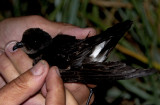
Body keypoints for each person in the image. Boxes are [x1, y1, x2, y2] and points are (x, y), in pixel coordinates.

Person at [0, 15, 96, 105]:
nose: (20, 44)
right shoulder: (53, 48)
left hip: (84, 57)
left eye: (30, 44)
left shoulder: (46, 57)